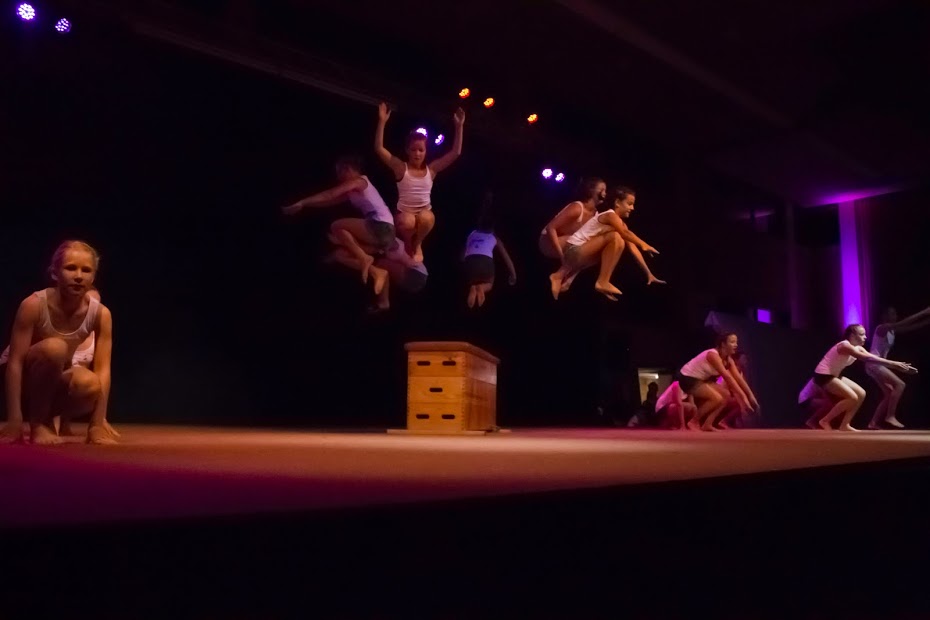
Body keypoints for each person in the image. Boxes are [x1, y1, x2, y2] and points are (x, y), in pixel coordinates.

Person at [0, 241, 115, 445]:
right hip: (15, 383)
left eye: (86, 270)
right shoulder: (33, 305)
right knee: (55, 348)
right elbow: (15, 363)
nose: (78, 276)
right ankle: (39, 424)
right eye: (71, 268)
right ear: (54, 273)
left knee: (89, 384)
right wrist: (14, 420)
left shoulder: (101, 314)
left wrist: (96, 424)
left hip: (49, 385)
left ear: (93, 277)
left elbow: (103, 369)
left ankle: (43, 419)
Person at [283, 155, 394, 295]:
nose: (338, 177)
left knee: (336, 226)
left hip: (382, 227)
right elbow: (328, 201)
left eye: (339, 173)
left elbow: (330, 194)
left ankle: (364, 258)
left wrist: (302, 201)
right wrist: (304, 206)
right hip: (382, 237)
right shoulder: (352, 192)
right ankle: (377, 272)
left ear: (347, 169)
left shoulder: (359, 181)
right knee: (341, 254)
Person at [374, 102, 465, 262]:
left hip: (424, 217)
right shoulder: (401, 168)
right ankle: (408, 242)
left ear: (426, 152)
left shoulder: (432, 170)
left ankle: (418, 243)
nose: (417, 153)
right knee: (408, 221)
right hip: (404, 216)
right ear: (407, 151)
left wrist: (459, 127)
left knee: (427, 216)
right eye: (414, 150)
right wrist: (382, 121)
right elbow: (379, 149)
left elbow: (455, 153)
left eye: (421, 150)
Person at [549, 186, 664, 301]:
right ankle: (600, 280)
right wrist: (644, 244)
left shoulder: (621, 225)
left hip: (583, 256)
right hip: (572, 251)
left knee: (618, 240)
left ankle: (563, 276)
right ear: (617, 202)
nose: (632, 208)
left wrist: (648, 273)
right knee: (616, 237)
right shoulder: (610, 215)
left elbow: (633, 248)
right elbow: (625, 233)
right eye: (629, 204)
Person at [810, 324, 917, 431]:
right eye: (862, 334)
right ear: (852, 335)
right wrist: (894, 364)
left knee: (861, 394)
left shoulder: (858, 348)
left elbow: (873, 357)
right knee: (852, 398)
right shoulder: (844, 346)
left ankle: (845, 425)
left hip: (834, 375)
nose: (865, 337)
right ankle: (825, 420)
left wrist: (899, 366)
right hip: (823, 376)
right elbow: (866, 359)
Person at [864, 306, 930, 429]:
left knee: (889, 393)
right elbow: (903, 323)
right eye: (891, 314)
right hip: (874, 363)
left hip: (878, 364)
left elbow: (910, 327)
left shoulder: (892, 331)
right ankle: (890, 416)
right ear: (884, 316)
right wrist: (924, 312)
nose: (895, 316)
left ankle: (873, 423)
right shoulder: (882, 328)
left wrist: (926, 320)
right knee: (900, 385)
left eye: (895, 314)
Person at [678, 332, 759, 431]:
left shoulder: (728, 360)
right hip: (687, 378)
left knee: (726, 395)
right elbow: (728, 378)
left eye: (736, 342)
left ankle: (707, 424)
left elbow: (739, 379)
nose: (736, 345)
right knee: (717, 399)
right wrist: (744, 398)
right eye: (732, 342)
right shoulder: (713, 355)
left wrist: (750, 396)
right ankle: (693, 421)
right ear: (723, 344)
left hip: (701, 380)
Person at [462, 192, 517, 309]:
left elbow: (463, 253)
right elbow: (506, 257)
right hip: (485, 262)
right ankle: (482, 288)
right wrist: (513, 275)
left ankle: (473, 287)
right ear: (492, 227)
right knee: (490, 284)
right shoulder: (494, 237)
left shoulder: (472, 234)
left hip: (470, 262)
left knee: (472, 279)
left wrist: (463, 262)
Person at [369, 238, 429, 313]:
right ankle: (384, 301)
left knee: (381, 265)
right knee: (381, 265)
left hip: (417, 274)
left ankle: (384, 301)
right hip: (418, 272)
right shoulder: (396, 249)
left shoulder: (395, 248)